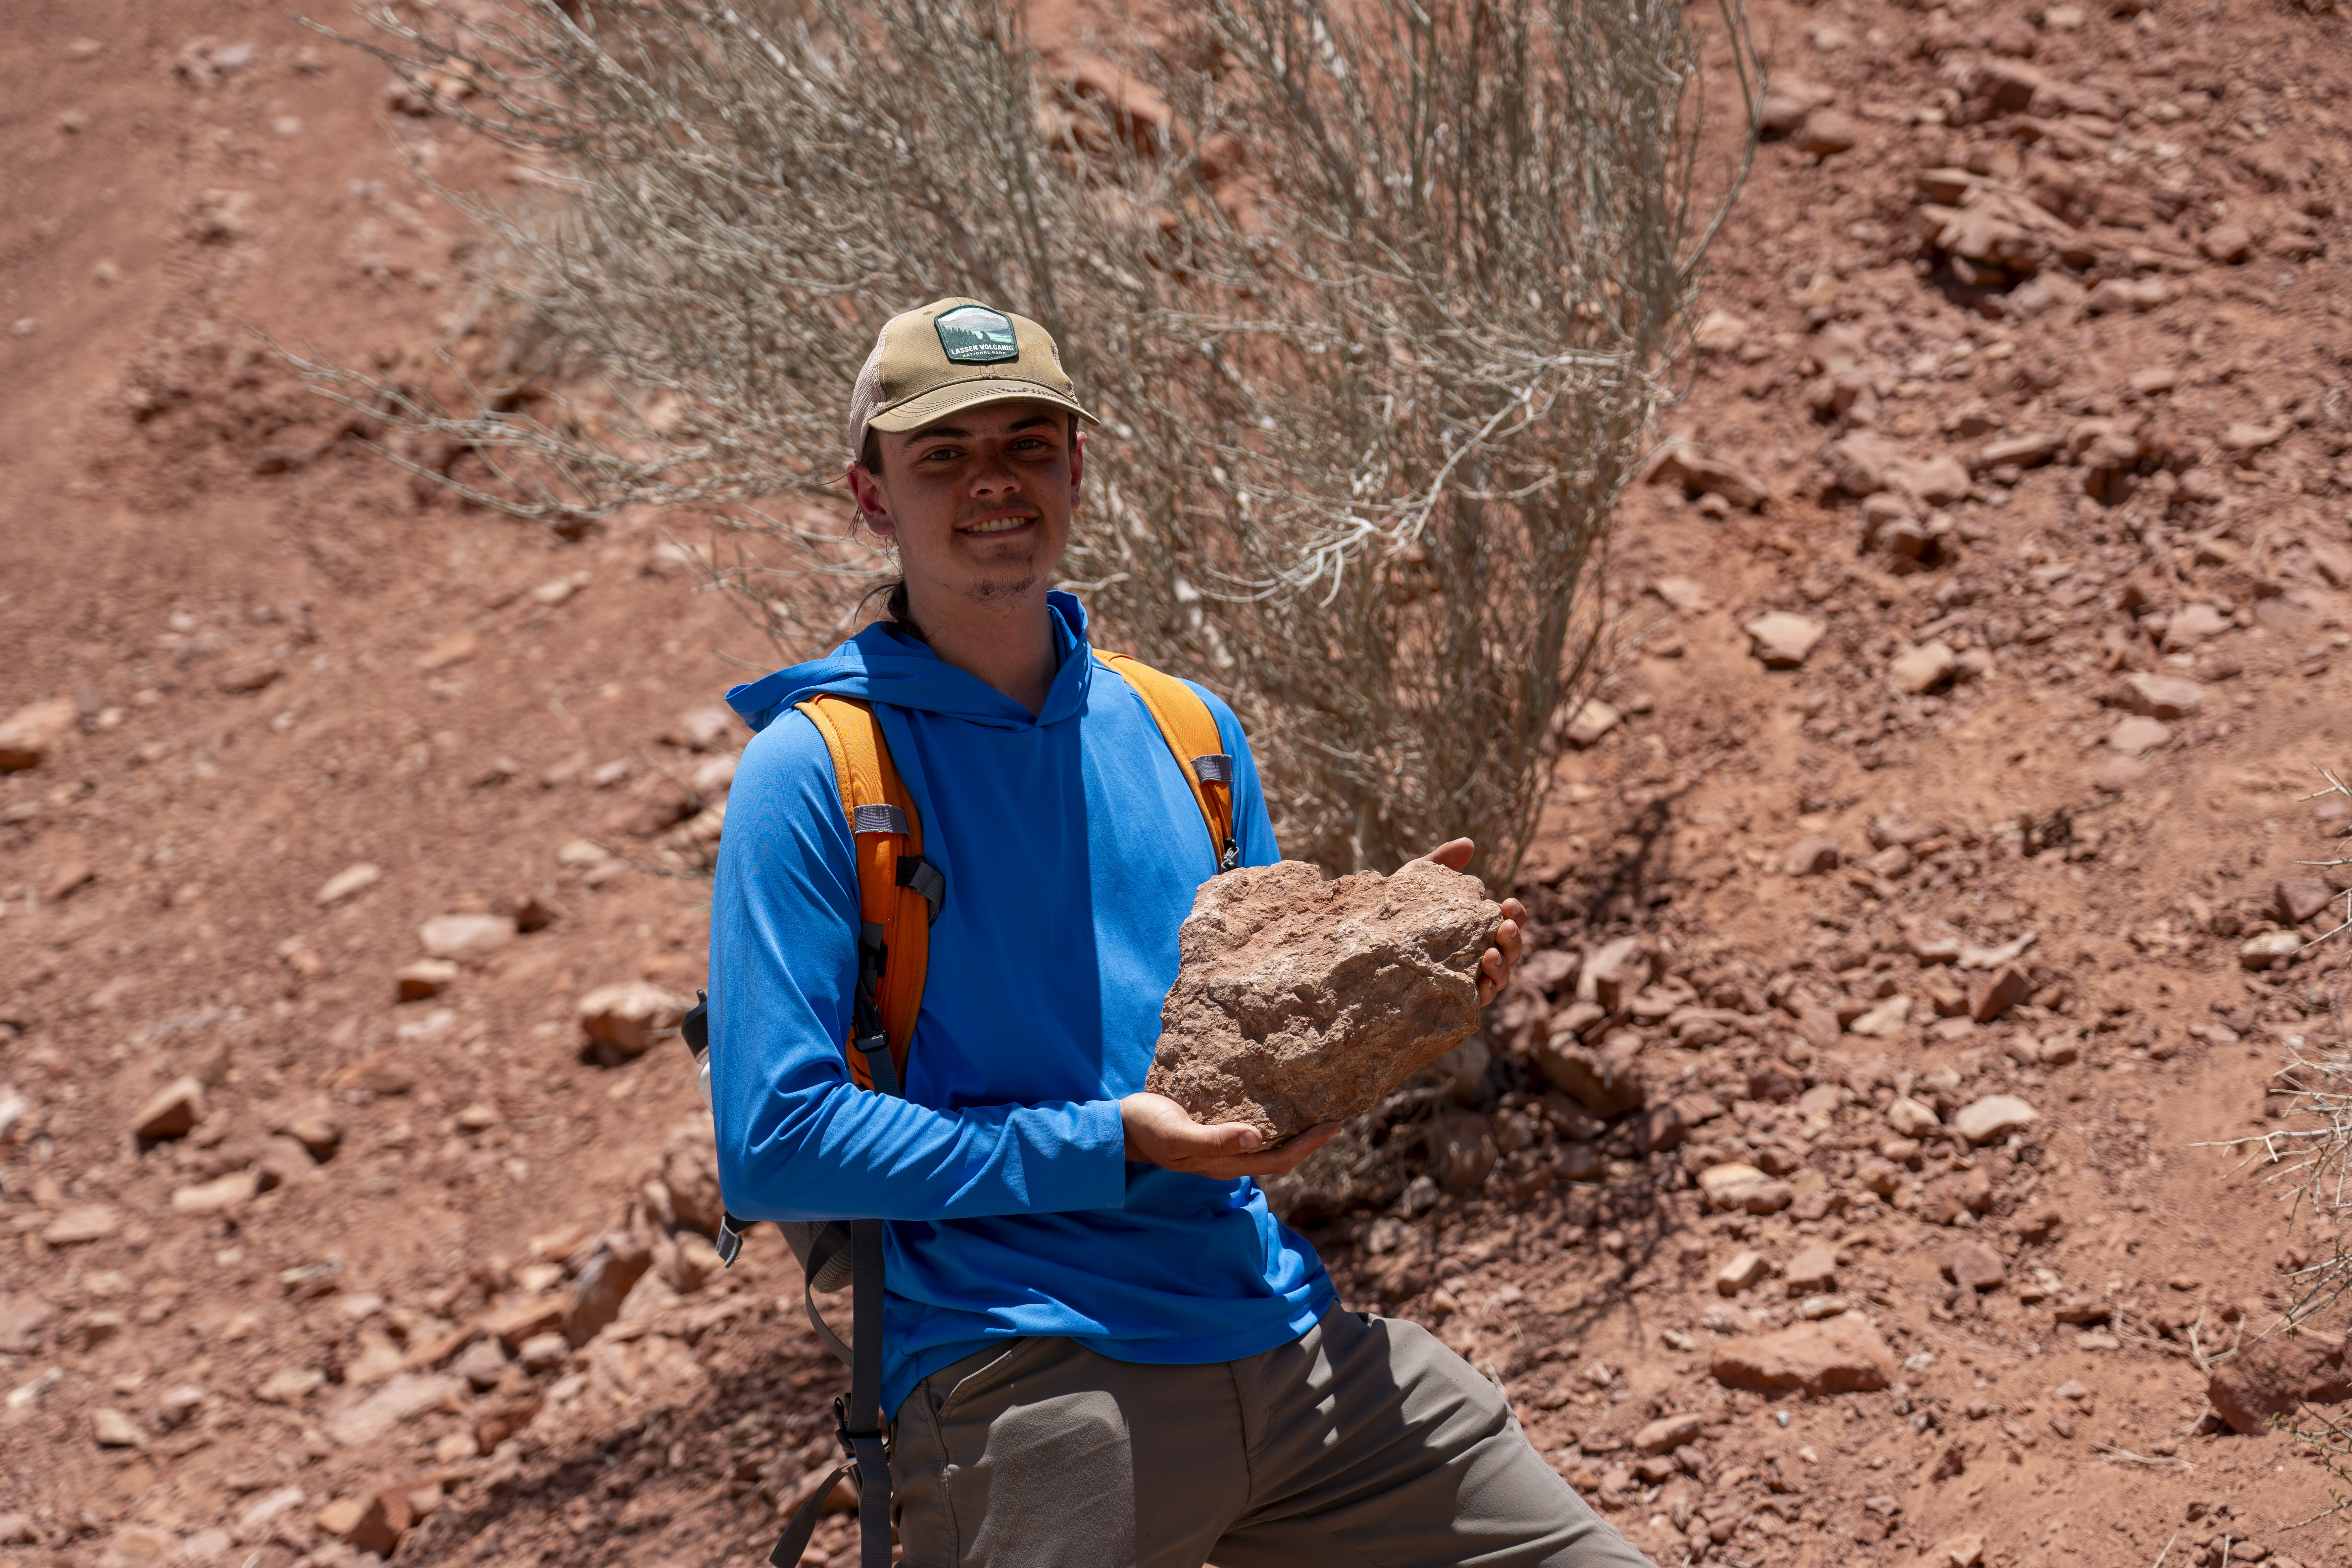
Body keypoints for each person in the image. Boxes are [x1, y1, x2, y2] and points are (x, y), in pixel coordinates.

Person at [706, 298, 1651, 1568]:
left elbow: (1248, 1090)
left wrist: (1385, 986)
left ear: (1078, 472)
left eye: (1030, 444)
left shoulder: (1189, 732)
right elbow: (775, 1144)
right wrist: (1105, 1146)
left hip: (1279, 1334)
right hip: (1025, 1376)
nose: (995, 480)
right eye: (942, 453)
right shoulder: (817, 770)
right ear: (872, 497)